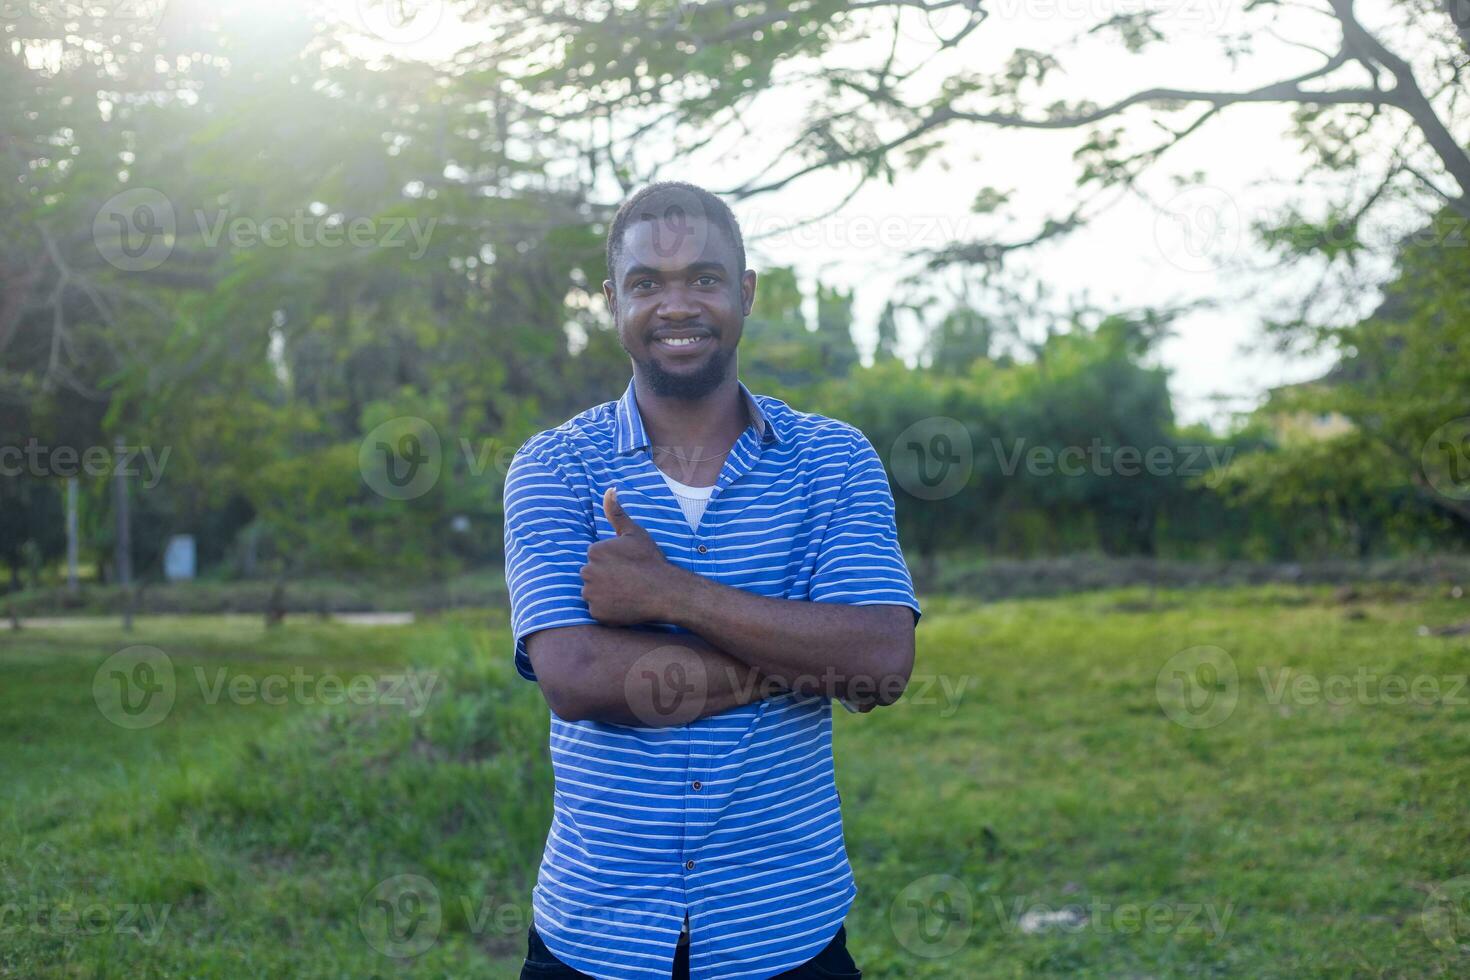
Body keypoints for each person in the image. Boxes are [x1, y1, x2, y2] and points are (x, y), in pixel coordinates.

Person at [503, 181, 921, 979]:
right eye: (646, 284)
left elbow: (879, 661)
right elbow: (577, 675)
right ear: (610, 302)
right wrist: (804, 661)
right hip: (597, 934)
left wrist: (669, 595)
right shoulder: (553, 465)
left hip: (786, 933)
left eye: (703, 278)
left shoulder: (833, 461)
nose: (677, 305)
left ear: (746, 292)